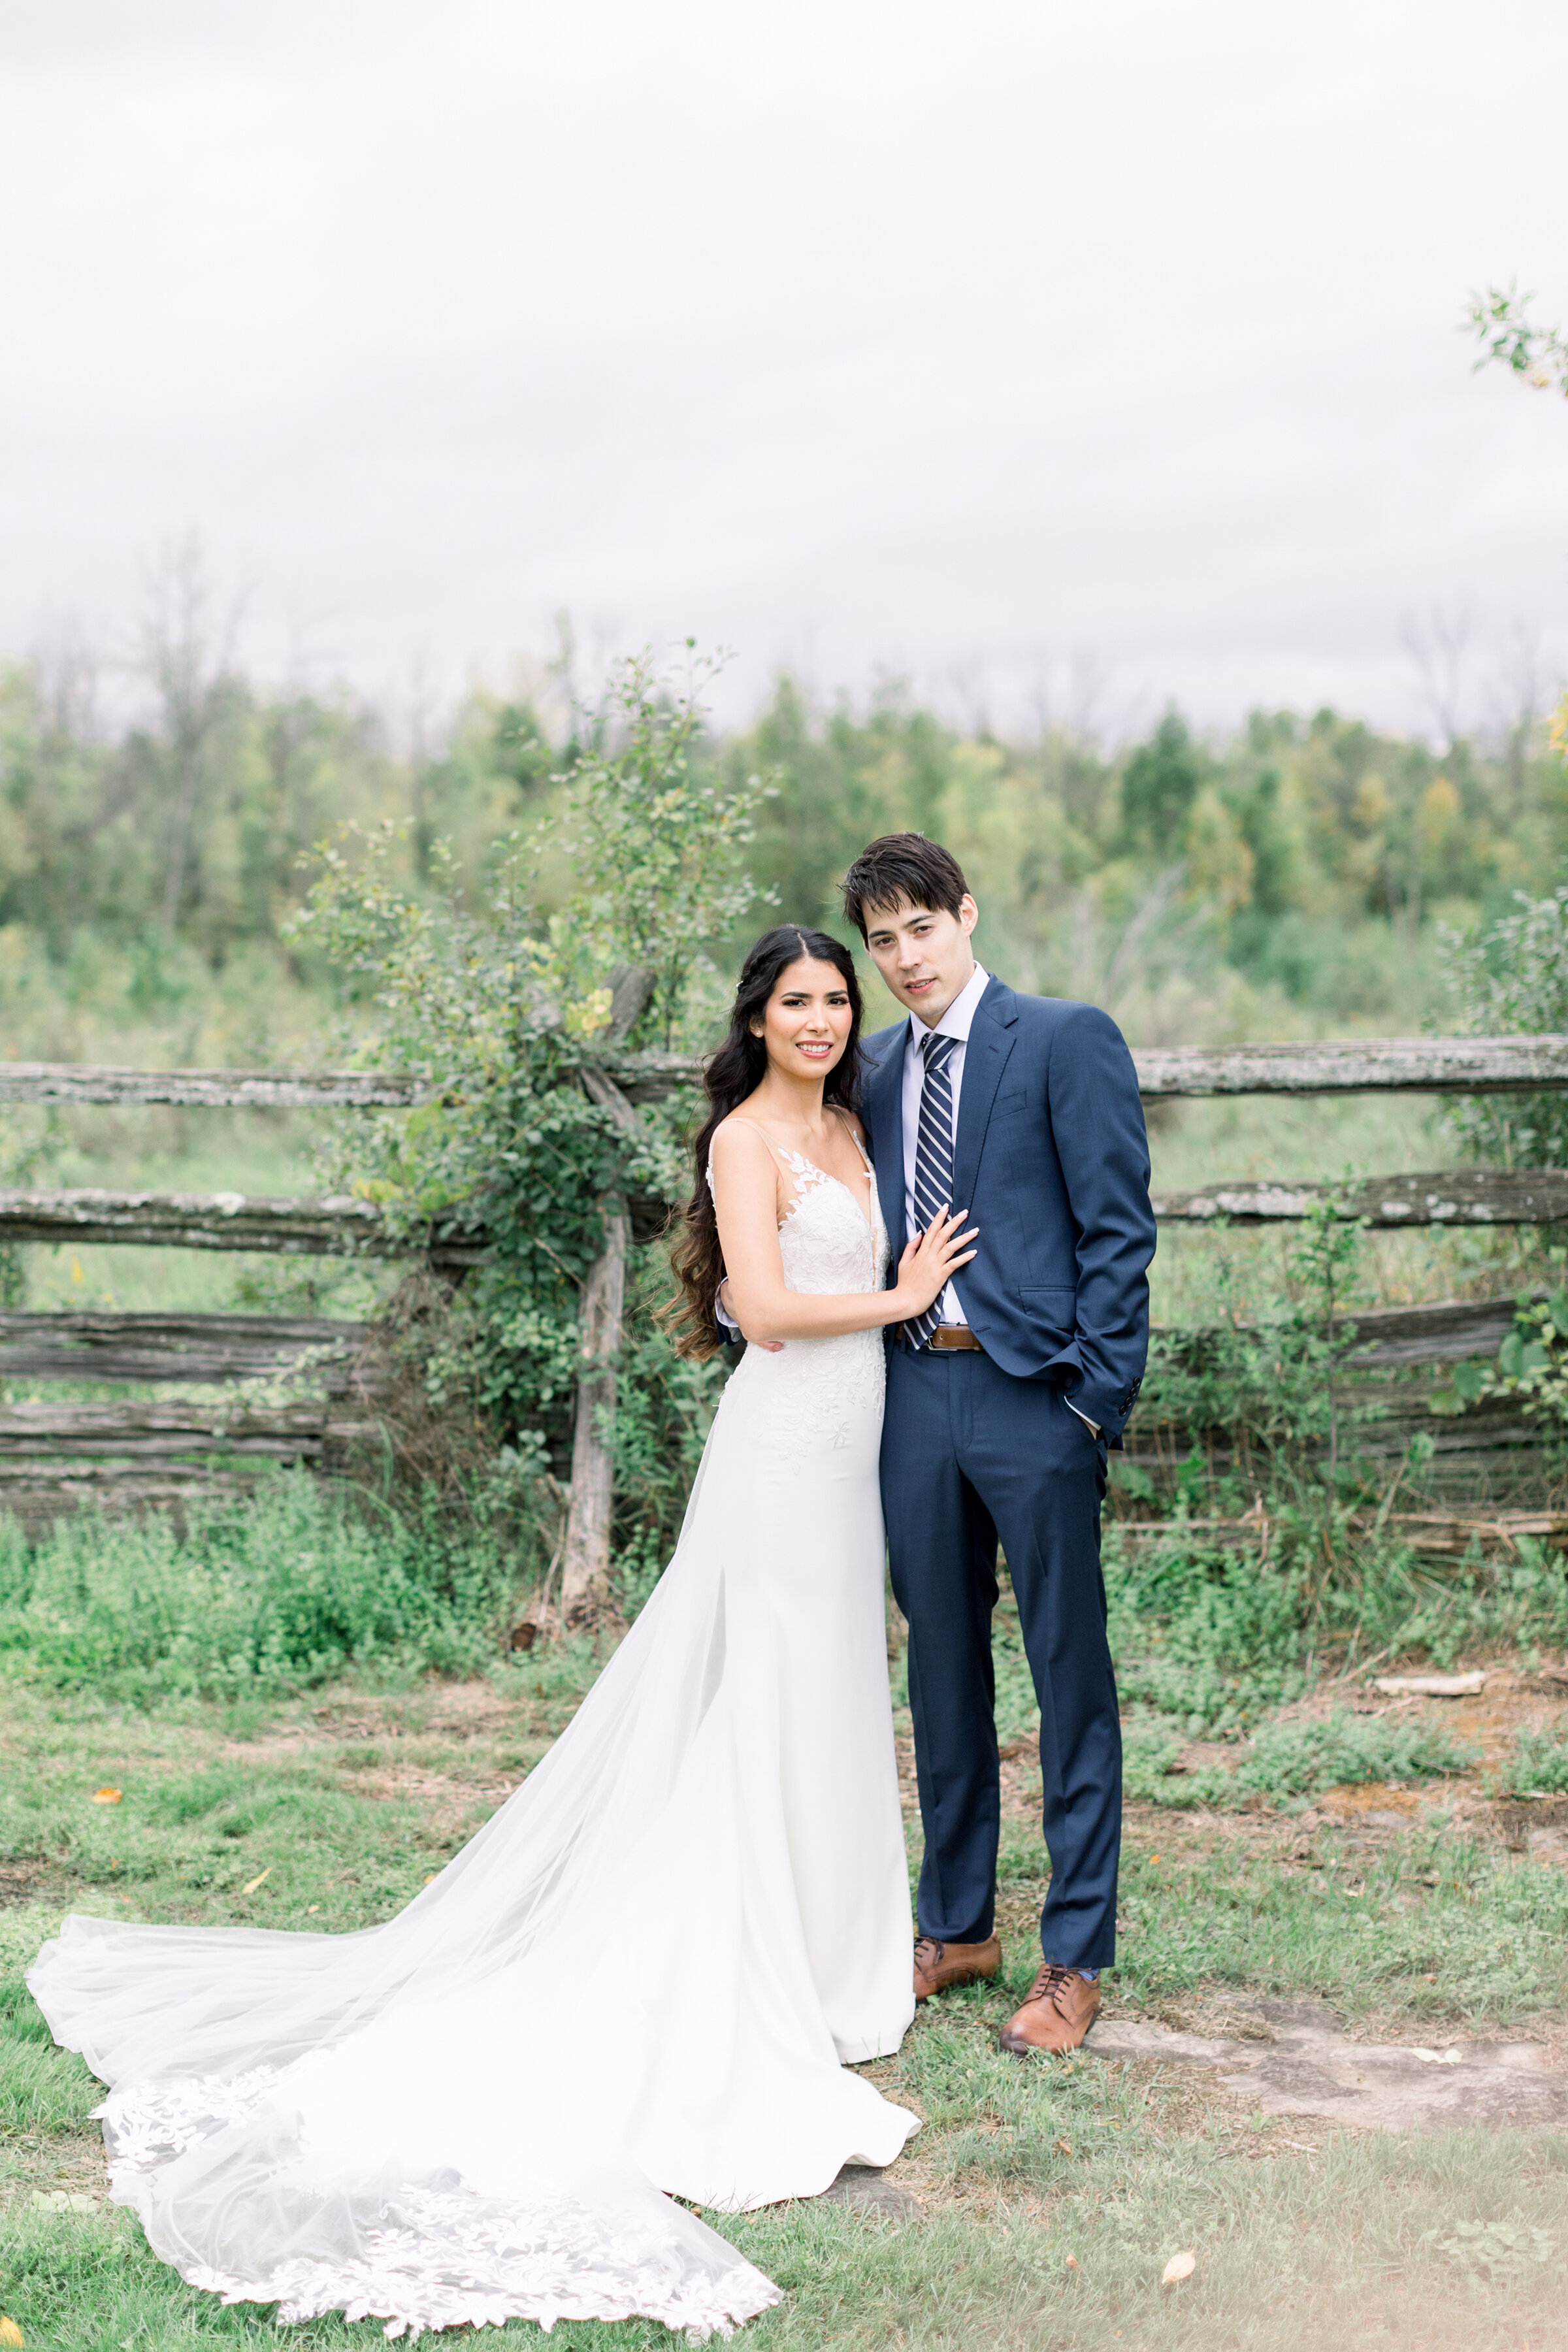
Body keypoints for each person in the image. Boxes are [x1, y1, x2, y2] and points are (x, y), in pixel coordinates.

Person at [28, 924, 975, 2342]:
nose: (826, 1021)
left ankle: (845, 1964)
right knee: (765, 1697)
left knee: (839, 1689)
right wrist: (899, 1297)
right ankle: (757, 1963)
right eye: (799, 1002)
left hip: (858, 1452)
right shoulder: (741, 1138)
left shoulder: (857, 1117)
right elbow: (764, 1311)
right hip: (785, 1445)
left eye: (839, 1000)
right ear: (757, 1018)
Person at [845, 832, 1155, 2054]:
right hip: (913, 1396)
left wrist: (1093, 1404)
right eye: (882, 942)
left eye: (923, 927)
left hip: (1037, 1399)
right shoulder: (870, 1071)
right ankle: (957, 1924)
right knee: (940, 1671)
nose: (906, 957)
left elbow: (1118, 1232)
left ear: (967, 917)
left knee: (1069, 1677)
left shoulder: (1064, 1039)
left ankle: (1073, 1956)